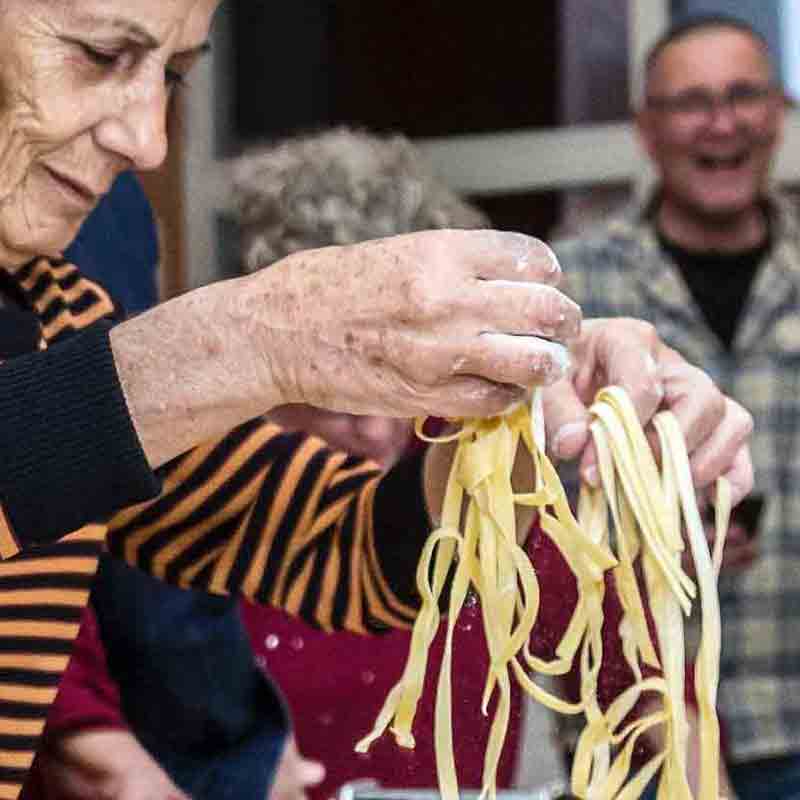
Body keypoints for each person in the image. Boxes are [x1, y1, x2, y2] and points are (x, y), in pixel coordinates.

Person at [0, 1, 753, 796]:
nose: (147, 139)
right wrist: (256, 333)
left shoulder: (57, 312)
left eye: (174, 76)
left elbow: (341, 544)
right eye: (97, 54)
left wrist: (509, 404)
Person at [552, 13, 795, 799]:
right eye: (691, 103)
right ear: (646, 131)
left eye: (743, 95)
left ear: (781, 113)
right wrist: (651, 543)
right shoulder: (570, 288)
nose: (721, 122)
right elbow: (522, 510)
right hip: (633, 727)